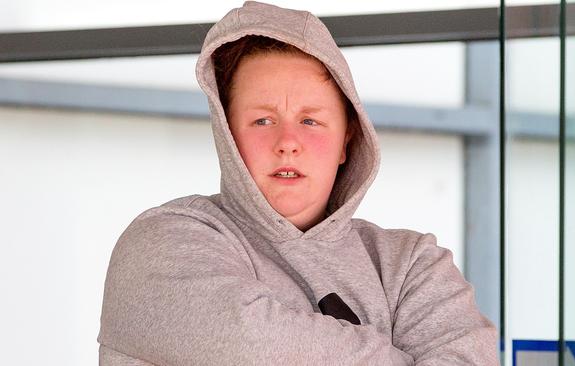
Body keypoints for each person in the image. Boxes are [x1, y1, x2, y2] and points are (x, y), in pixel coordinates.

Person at [97, 1, 498, 365]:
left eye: (310, 121)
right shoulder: (164, 244)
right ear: (228, 137)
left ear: (347, 140)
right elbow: (249, 343)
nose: (287, 143)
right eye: (262, 120)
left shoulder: (411, 265)